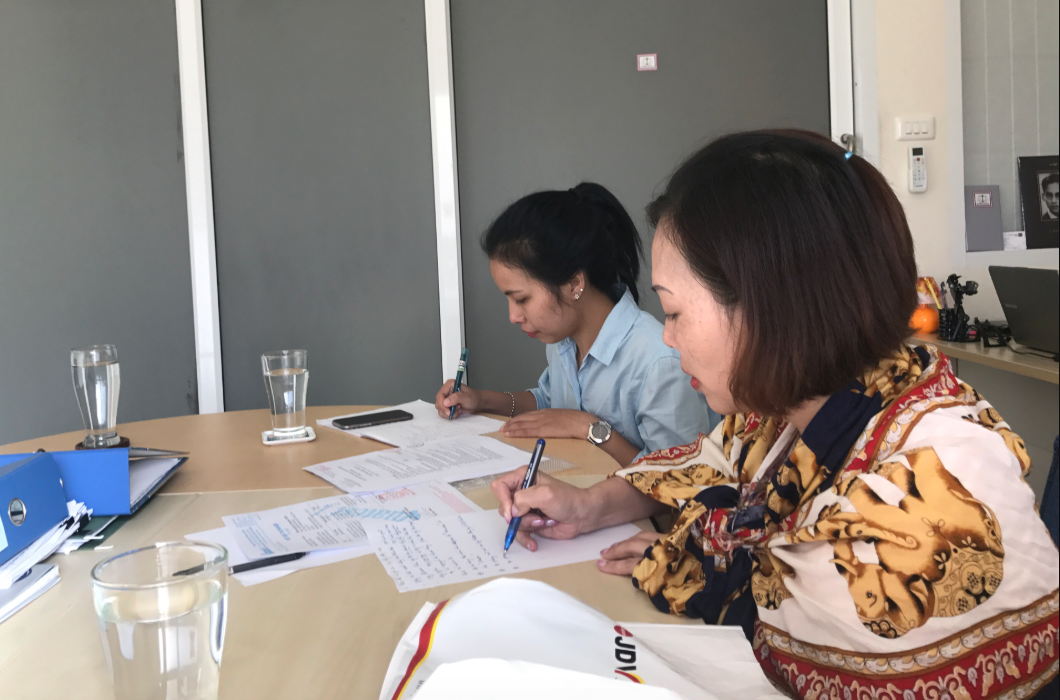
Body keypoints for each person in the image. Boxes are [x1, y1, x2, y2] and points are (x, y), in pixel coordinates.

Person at [493, 131, 1059, 699]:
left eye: (674, 312)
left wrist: (697, 563)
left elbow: (771, 619)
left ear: (772, 307)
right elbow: (704, 464)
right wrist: (587, 507)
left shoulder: (917, 500)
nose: (666, 337)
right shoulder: (787, 408)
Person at [435, 182, 719, 466]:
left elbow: (679, 475)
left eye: (521, 299)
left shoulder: (660, 362)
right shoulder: (562, 340)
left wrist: (588, 427)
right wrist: (481, 400)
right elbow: (550, 403)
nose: (514, 316)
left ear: (573, 284)